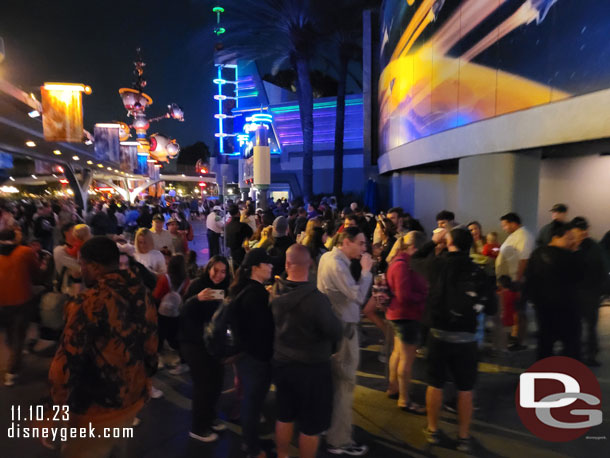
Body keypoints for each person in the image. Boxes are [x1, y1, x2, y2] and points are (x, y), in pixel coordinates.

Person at [48, 236, 158, 457]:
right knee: (118, 447)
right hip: (132, 396)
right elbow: (151, 342)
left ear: (95, 267)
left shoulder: (88, 303)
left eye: (82, 264)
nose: (81, 270)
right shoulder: (140, 292)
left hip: (96, 408)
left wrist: (55, 408)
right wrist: (145, 379)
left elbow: (66, 361)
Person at [414, 228, 492, 453]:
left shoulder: (437, 265)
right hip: (467, 339)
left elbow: (415, 259)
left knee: (435, 384)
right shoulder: (478, 270)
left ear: (448, 243)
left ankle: (433, 430)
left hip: (438, 335)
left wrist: (432, 241)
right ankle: (464, 437)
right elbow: (492, 306)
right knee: (466, 388)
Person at [271, 244, 343, 458]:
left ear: (286, 264)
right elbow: (335, 331)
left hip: (282, 364)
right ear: (311, 265)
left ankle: (282, 455)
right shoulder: (316, 300)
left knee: (284, 416)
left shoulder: (275, 292)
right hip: (312, 369)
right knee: (311, 426)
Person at [317, 226, 373, 456]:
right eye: (360, 243)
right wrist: (366, 271)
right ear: (346, 242)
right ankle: (339, 439)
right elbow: (358, 296)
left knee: (333, 383)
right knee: (344, 384)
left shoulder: (326, 257)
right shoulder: (337, 264)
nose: (364, 249)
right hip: (343, 330)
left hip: (332, 329)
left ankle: (328, 427)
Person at [230, 248, 275, 458]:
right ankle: (251, 447)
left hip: (244, 356)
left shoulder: (243, 288)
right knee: (252, 403)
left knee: (251, 401)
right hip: (254, 357)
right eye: (267, 263)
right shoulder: (255, 294)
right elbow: (261, 330)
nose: (271, 266)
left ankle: (251, 441)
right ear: (256, 268)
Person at [524, 221, 582, 361]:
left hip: (543, 310)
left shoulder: (537, 254)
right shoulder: (569, 257)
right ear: (557, 236)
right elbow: (580, 278)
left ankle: (543, 376)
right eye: (569, 238)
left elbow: (529, 279)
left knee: (544, 346)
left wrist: (527, 301)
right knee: (571, 346)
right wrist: (576, 252)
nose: (572, 241)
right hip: (567, 310)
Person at [384, 231, 428, 412]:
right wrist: (424, 295)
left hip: (397, 314)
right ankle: (404, 399)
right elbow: (404, 296)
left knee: (397, 353)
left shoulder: (396, 261)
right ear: (414, 247)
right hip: (406, 315)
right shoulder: (403, 265)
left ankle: (393, 388)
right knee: (407, 359)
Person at [0, 229, 44, 386]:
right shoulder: (24, 252)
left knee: (10, 331)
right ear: (14, 237)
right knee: (19, 333)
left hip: (2, 301)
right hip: (21, 299)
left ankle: (15, 354)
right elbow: (36, 274)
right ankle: (12, 370)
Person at [571, 217, 607, 366]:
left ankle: (590, 354)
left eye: (580, 231)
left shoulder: (593, 248)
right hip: (578, 293)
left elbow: (602, 271)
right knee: (576, 325)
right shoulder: (575, 245)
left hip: (589, 293)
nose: (579, 234)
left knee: (589, 326)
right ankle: (577, 353)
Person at [496, 212, 534, 350]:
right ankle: (516, 335)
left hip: (518, 280)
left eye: (505, 225)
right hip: (511, 280)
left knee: (520, 310)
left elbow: (524, 260)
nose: (504, 228)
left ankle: (520, 341)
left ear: (513, 223)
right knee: (515, 310)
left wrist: (518, 281)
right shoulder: (514, 236)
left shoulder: (524, 236)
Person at [153, 254, 190, 375]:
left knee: (159, 336)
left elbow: (157, 296)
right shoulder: (186, 280)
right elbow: (185, 295)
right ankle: (184, 362)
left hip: (163, 314)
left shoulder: (165, 279)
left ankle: (158, 360)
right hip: (176, 313)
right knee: (176, 338)